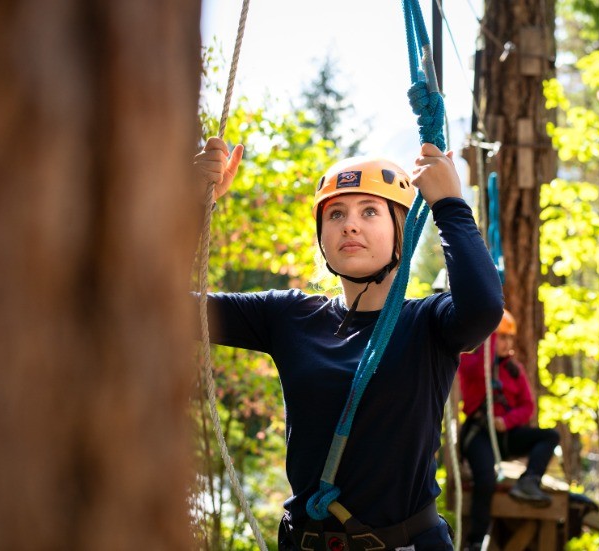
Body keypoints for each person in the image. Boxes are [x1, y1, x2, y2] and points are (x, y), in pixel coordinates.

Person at [194, 136, 504, 551]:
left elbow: (484, 308)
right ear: (322, 236)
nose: (349, 224)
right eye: (335, 213)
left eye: (370, 211)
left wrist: (449, 206)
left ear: (402, 232)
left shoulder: (429, 322)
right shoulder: (290, 316)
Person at [457, 309, 560, 551]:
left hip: (506, 435)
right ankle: (475, 540)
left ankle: (529, 481)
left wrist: (509, 420)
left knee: (550, 436)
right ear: (490, 338)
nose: (507, 343)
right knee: (485, 480)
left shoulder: (514, 369)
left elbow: (528, 406)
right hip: (479, 435)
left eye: (509, 338)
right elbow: (467, 370)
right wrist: (486, 343)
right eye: (501, 337)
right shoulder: (472, 363)